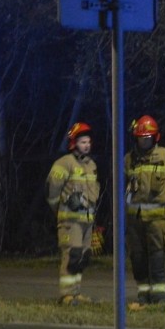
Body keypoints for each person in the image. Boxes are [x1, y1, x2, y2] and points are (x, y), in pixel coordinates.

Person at [125, 115, 165, 304]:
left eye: (148, 137)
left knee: (157, 255)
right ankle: (143, 293)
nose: (144, 140)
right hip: (135, 219)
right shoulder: (129, 160)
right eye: (141, 137)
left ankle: (159, 295)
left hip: (158, 219)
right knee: (138, 256)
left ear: (155, 137)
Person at [45, 122, 100, 305]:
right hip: (70, 221)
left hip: (86, 221)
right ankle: (66, 294)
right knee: (71, 255)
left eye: (88, 142)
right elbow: (52, 191)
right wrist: (60, 211)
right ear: (74, 143)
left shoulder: (91, 165)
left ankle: (76, 293)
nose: (86, 145)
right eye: (83, 141)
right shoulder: (64, 163)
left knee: (82, 257)